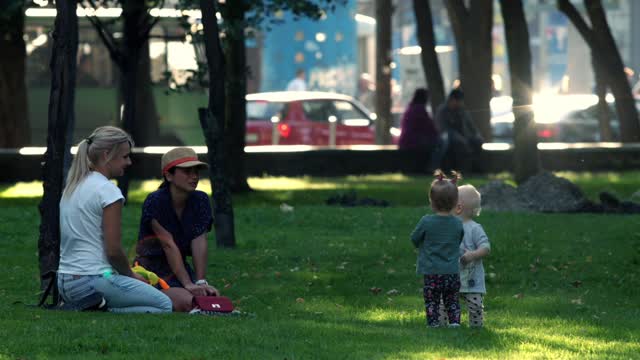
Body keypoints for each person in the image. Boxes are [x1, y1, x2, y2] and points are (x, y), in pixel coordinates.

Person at [57, 126, 172, 314]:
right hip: (91, 281)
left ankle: (92, 305)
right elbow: (113, 251)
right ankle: (99, 309)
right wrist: (132, 275)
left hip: (65, 283)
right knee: (164, 305)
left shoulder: (73, 187)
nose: (129, 162)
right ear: (106, 155)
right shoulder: (107, 191)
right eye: (125, 156)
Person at [134, 147, 220, 312]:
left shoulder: (200, 200)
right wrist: (188, 283)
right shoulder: (156, 201)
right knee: (189, 301)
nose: (194, 176)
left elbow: (199, 240)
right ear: (168, 175)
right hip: (151, 268)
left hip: (180, 266)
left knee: (209, 296)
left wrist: (200, 281)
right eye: (187, 171)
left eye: (196, 171)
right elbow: (168, 245)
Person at [410, 170, 464, 328]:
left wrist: (422, 244)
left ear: (432, 202)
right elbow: (458, 240)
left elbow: (414, 238)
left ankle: (433, 323)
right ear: (455, 203)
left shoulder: (426, 221)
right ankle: (454, 323)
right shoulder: (457, 223)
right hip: (452, 271)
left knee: (432, 300)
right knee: (452, 299)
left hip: (431, 271)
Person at [455, 184, 491, 327]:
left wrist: (473, 255)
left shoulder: (474, 228)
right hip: (452, 277)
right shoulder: (448, 226)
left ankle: (476, 328)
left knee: (475, 307)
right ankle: (445, 325)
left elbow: (486, 248)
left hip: (472, 278)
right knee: (445, 303)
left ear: (459, 207)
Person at [435, 89, 484, 172]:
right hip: (447, 138)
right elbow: (443, 129)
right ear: (452, 100)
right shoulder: (442, 111)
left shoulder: (461, 110)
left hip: (463, 137)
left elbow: (471, 125)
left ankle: (475, 167)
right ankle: (459, 168)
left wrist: (477, 135)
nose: (460, 103)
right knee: (458, 142)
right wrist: (458, 137)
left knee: (477, 141)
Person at [398, 88, 444, 171]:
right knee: (439, 144)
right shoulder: (419, 110)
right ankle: (433, 167)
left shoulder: (411, 108)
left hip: (407, 140)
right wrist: (438, 135)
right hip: (413, 141)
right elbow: (429, 128)